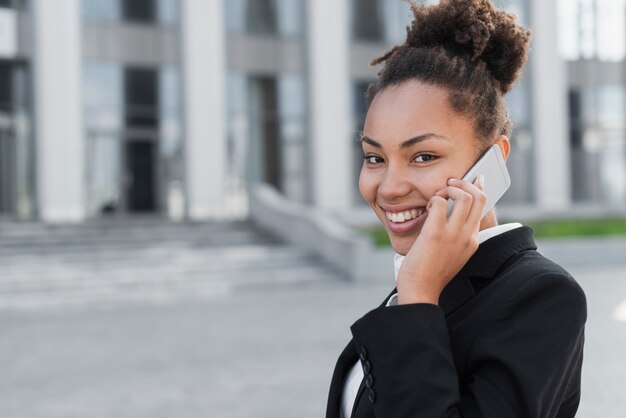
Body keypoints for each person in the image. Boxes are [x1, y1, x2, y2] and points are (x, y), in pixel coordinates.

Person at [325, 1, 587, 417]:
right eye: (374, 157)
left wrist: (417, 296)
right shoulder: (426, 278)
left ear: (494, 160)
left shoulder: (541, 295)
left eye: (423, 156)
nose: (390, 187)